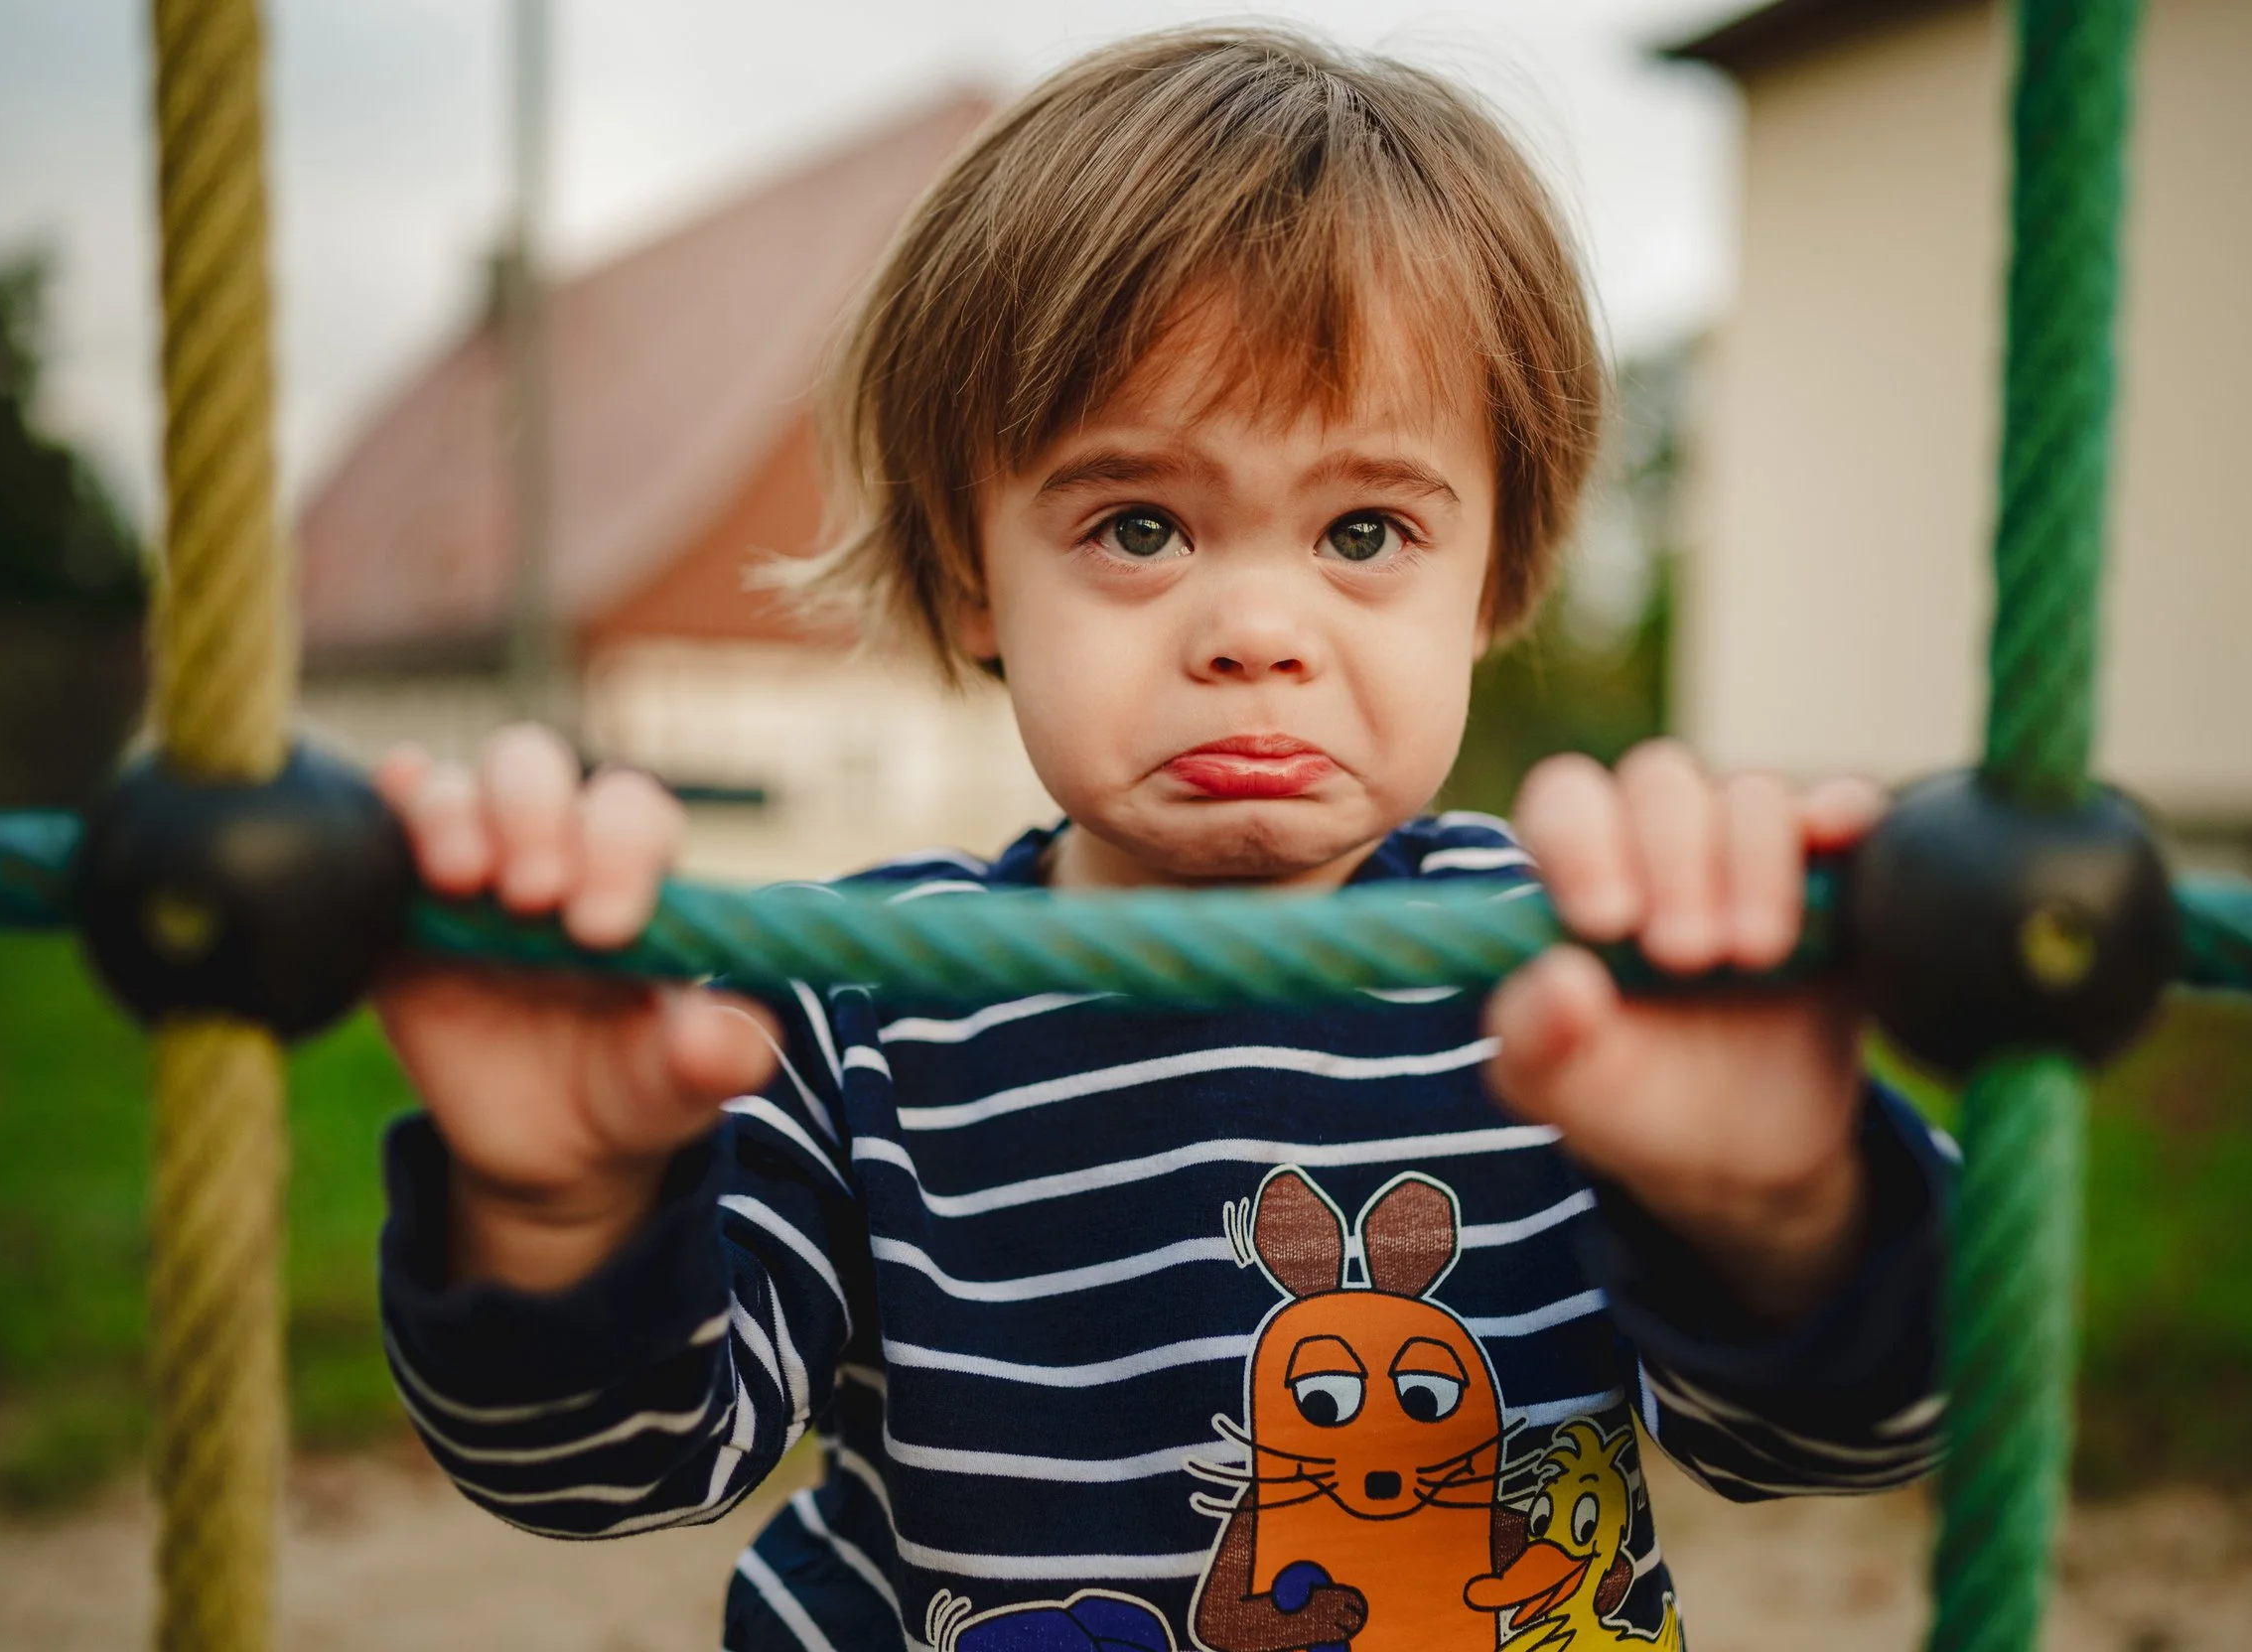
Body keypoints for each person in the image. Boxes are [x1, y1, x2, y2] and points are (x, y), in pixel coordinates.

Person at [370, 27, 1950, 1652]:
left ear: (1493, 576)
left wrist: (1781, 1216)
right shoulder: (856, 1009)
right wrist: (557, 1219)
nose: (1257, 627)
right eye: (1139, 525)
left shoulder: (1597, 981)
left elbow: (1853, 1443)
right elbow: (608, 1477)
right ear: (974, 571)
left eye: (1364, 531)